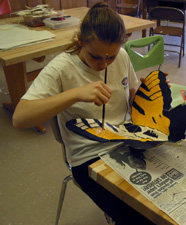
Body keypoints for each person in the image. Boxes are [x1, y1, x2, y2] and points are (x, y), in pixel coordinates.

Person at [12, 2, 156, 225]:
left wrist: (148, 94)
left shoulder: (122, 57)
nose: (104, 65)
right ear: (81, 41)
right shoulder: (61, 68)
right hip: (89, 156)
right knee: (137, 217)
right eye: (96, 57)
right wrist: (75, 94)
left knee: (163, 201)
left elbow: (131, 95)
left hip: (126, 140)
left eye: (111, 57)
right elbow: (20, 118)